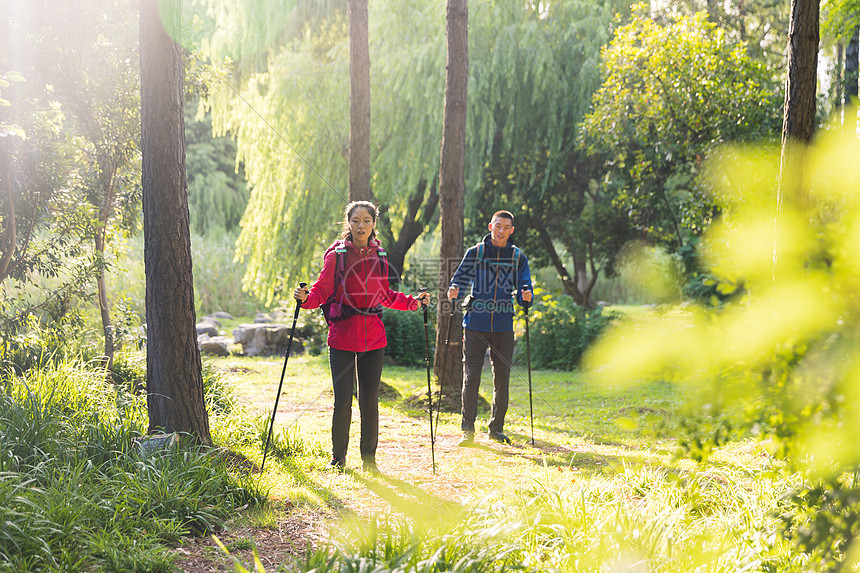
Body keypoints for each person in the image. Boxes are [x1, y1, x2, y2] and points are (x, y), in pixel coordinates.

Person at [294, 201, 430, 472]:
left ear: (373, 224)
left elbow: (387, 295)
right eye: (356, 220)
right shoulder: (337, 256)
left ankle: (369, 458)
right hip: (343, 336)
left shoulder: (379, 256)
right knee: (343, 400)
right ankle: (338, 458)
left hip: (373, 338)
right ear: (348, 223)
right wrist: (305, 299)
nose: (361, 225)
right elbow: (321, 291)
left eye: (366, 220)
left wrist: (413, 302)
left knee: (369, 400)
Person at [447, 210, 533, 446]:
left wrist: (526, 296)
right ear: (490, 226)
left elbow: (524, 286)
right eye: (498, 226)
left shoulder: (517, 257)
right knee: (471, 376)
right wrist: (454, 291)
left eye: (506, 227)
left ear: (511, 230)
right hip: (476, 322)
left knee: (502, 379)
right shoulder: (476, 253)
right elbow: (459, 280)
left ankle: (496, 429)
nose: (501, 230)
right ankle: (468, 431)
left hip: (504, 325)